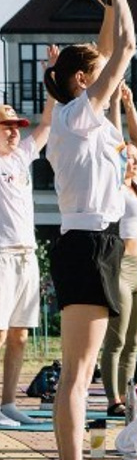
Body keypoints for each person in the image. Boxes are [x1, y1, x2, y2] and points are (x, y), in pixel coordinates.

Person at [44, 0, 135, 460]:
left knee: (84, 372)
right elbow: (123, 46)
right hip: (85, 244)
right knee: (77, 374)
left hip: (98, 242)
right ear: (81, 81)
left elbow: (107, 45)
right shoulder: (78, 117)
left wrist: (107, 3)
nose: (106, 81)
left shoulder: (79, 117)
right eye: (94, 75)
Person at [0, 72, 55, 427]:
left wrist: (51, 79)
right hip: (1, 255)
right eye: (6, 126)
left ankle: (7, 404)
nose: (14, 131)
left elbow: (48, 123)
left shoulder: (20, 158)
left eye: (16, 125)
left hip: (26, 254)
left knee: (20, 334)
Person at [101, 84, 137, 415]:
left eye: (135, 159)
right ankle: (113, 400)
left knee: (136, 340)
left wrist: (131, 104)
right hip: (121, 266)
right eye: (129, 158)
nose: (134, 161)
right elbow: (120, 139)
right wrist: (117, 108)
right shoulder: (115, 188)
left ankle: (128, 394)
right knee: (116, 339)